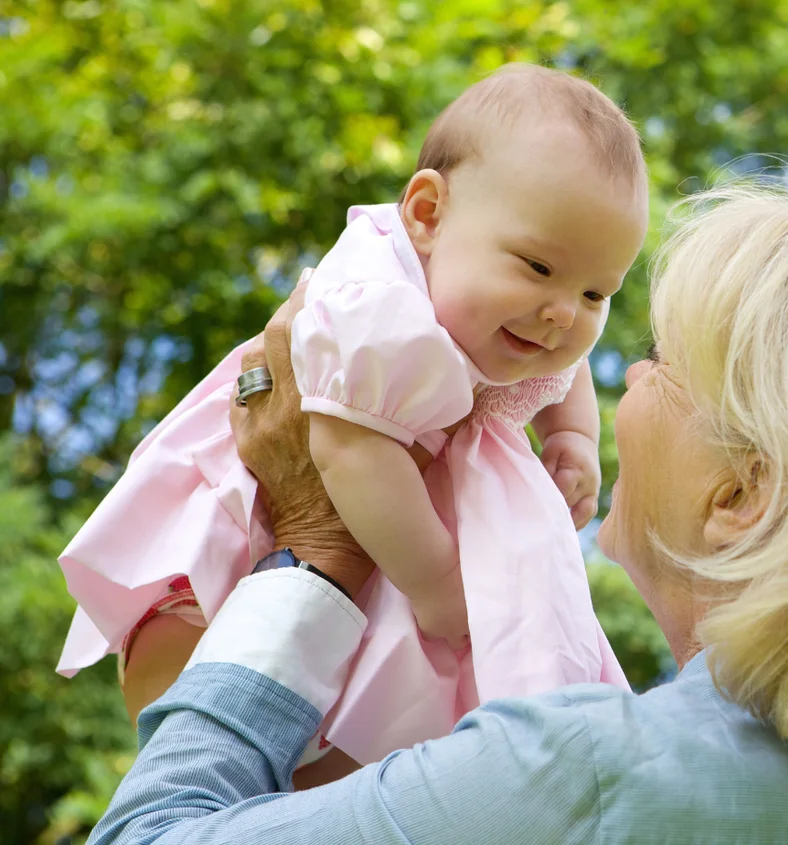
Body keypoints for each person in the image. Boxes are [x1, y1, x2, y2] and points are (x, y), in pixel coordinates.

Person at [88, 185, 788, 844]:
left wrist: (313, 556)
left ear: (741, 496)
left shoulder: (583, 777)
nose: (622, 373)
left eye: (665, 364)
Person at [55, 64, 649, 776]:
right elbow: (347, 449)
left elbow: (567, 368)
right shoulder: (375, 305)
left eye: (595, 291)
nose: (564, 314)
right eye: (538, 267)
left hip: (393, 522)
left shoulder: (516, 312)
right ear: (426, 214)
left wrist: (572, 436)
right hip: (281, 522)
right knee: (218, 654)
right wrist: (435, 584)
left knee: (395, 721)